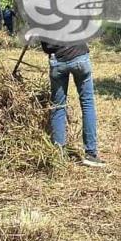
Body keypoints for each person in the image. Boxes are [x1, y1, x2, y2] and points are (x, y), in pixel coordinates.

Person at [42, 40, 105, 168]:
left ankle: (59, 153)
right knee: (87, 103)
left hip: (58, 60)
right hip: (80, 56)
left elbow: (47, 48)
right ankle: (91, 154)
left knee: (58, 107)